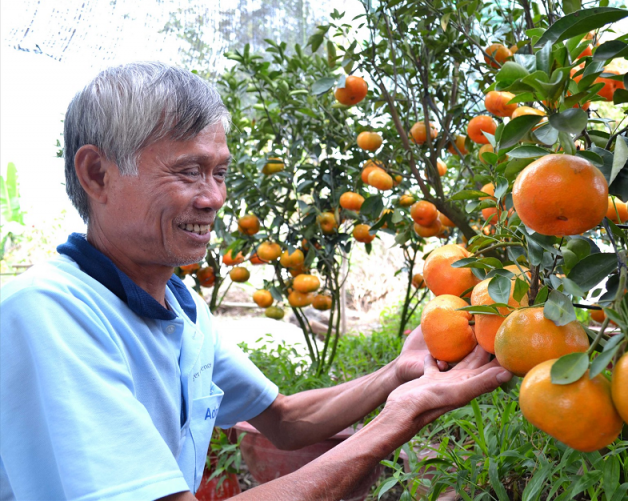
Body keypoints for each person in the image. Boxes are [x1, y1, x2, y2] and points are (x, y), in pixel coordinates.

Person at [0, 62, 512, 501]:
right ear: (96, 175)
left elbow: (284, 420)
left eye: (219, 173)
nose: (214, 198)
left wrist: (398, 373)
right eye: (188, 171)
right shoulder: (49, 314)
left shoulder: (182, 309)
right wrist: (395, 421)